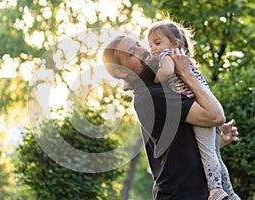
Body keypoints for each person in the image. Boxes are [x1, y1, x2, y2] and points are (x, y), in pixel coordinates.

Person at [102, 36, 239, 199]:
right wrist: (186, 71)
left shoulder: (155, 90)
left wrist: (217, 140)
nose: (143, 50)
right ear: (121, 71)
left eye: (138, 45)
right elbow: (216, 116)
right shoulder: (151, 96)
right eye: (132, 52)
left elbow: (176, 151)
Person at [147, 20, 240, 200]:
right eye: (150, 45)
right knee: (214, 156)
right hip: (208, 103)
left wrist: (156, 79)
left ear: (174, 43)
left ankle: (215, 191)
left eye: (157, 43)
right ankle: (230, 192)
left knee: (209, 154)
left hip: (199, 106)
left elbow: (165, 73)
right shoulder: (185, 61)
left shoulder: (167, 56)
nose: (153, 49)